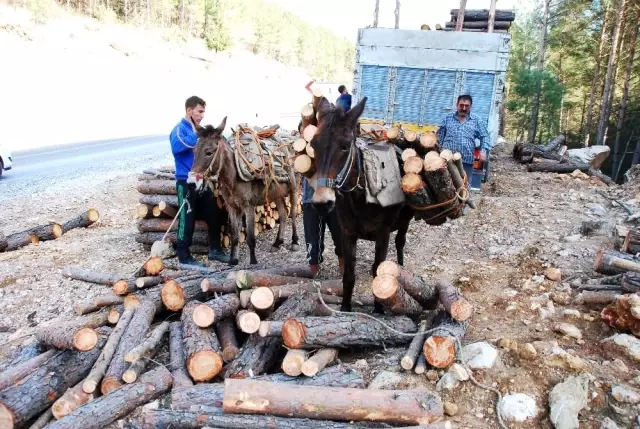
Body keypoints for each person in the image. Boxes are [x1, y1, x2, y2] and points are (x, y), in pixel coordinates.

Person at [169, 95, 230, 266]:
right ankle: (184, 256)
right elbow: (179, 145)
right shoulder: (180, 130)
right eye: (199, 111)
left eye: (204, 112)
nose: (202, 115)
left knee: (213, 213)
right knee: (186, 218)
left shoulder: (199, 131)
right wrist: (200, 135)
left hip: (202, 181)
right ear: (189, 110)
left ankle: (215, 250)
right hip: (185, 181)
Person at [298, 122, 344, 277]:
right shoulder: (302, 150)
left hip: (333, 198)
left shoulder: (331, 149)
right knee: (312, 237)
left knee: (340, 234)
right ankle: (314, 272)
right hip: (311, 200)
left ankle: (344, 269)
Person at [436, 94, 490, 190]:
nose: (464, 108)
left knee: (464, 187)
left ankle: (463, 205)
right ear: (457, 105)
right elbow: (439, 138)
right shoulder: (447, 119)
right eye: (461, 105)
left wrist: (483, 151)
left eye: (467, 106)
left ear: (470, 106)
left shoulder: (476, 120)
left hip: (467, 161)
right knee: (447, 187)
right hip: (448, 161)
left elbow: (485, 136)